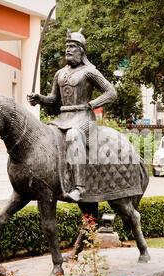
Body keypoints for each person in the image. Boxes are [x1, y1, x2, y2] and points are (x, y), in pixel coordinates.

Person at [27, 29, 117, 202]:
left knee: (73, 135)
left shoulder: (90, 71)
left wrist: (92, 104)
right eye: (67, 46)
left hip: (84, 118)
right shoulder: (59, 73)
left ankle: (79, 187)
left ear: (81, 50)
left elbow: (111, 92)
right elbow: (54, 99)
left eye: (73, 46)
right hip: (63, 118)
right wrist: (39, 99)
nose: (68, 49)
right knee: (45, 136)